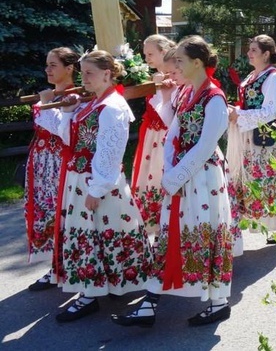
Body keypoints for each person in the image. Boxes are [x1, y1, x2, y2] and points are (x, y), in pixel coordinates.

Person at [112, 36, 234, 327]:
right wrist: (169, 171)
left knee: (205, 233)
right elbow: (173, 133)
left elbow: (206, 144)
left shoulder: (214, 97)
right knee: (170, 234)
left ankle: (219, 302)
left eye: (179, 59)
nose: (174, 65)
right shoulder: (184, 93)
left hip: (203, 178)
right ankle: (150, 303)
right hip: (181, 177)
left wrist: (176, 176)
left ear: (197, 62)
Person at [36, 50, 153, 322]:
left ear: (107, 74)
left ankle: (91, 294)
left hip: (97, 182)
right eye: (83, 71)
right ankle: (101, 287)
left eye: (90, 72)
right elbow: (70, 137)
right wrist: (66, 111)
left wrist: (97, 188)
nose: (84, 77)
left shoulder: (112, 107)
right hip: (82, 179)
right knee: (96, 234)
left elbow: (110, 151)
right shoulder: (93, 103)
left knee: (98, 234)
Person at [25, 47, 79, 291]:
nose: (47, 69)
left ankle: (66, 266)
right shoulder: (52, 95)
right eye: (47, 64)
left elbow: (62, 131)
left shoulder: (75, 97)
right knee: (48, 215)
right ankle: (57, 265)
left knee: (63, 214)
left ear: (69, 69)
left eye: (53, 65)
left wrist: (47, 103)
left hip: (60, 164)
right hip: (43, 164)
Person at [226, 34, 276, 242]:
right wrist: (235, 111)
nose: (249, 53)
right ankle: (263, 223)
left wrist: (240, 115)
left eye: (253, 50)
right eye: (250, 49)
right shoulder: (253, 75)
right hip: (249, 135)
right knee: (253, 179)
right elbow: (248, 105)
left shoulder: (273, 77)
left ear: (266, 54)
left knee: (268, 180)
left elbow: (271, 111)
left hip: (265, 137)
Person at [131, 34, 176, 234]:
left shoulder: (174, 78)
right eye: (145, 54)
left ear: (164, 52)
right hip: (152, 136)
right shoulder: (153, 78)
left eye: (150, 53)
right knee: (149, 178)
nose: (146, 58)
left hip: (166, 135)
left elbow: (170, 112)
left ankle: (167, 223)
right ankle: (156, 225)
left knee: (160, 174)